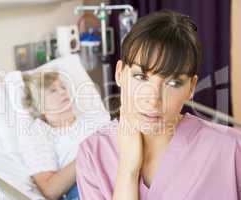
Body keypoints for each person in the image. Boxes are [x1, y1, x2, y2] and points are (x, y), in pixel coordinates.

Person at [76, 10, 241, 200]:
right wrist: (128, 170)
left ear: (191, 87)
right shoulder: (92, 154)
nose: (153, 99)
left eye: (173, 83)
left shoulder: (231, 149)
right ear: (120, 73)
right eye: (141, 77)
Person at [18, 71, 110, 200]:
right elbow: (50, 190)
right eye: (53, 90)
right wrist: (89, 154)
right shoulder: (40, 133)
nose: (62, 92)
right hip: (84, 188)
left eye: (63, 87)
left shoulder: (92, 118)